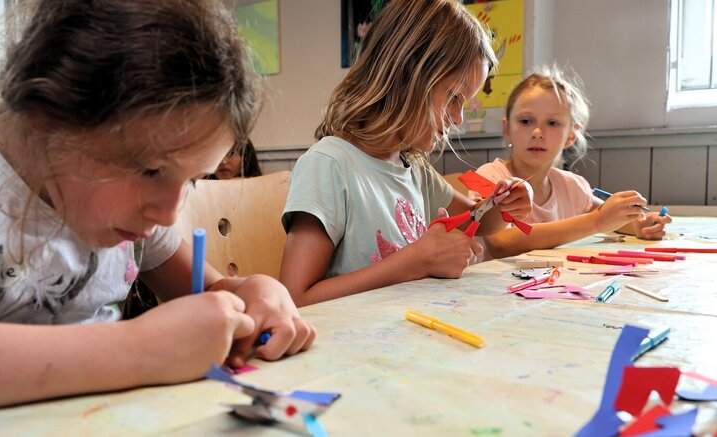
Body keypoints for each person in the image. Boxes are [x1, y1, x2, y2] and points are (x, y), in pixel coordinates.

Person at [0, 0, 315, 414]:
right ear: (47, 112)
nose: (169, 215)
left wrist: (253, 293)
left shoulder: (134, 214)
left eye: (191, 180)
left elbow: (211, 292)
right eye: (150, 170)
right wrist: (141, 350)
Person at [279, 0, 533, 307]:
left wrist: (506, 203)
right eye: (454, 97)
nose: (458, 119)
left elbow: (478, 222)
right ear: (407, 77)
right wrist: (417, 261)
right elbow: (295, 298)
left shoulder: (413, 167)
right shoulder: (329, 165)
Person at [474, 66, 673, 259]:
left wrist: (642, 224)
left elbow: (611, 218)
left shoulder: (571, 186)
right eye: (526, 121)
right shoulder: (487, 177)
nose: (537, 133)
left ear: (571, 135)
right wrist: (596, 222)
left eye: (552, 123)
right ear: (507, 128)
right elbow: (501, 243)